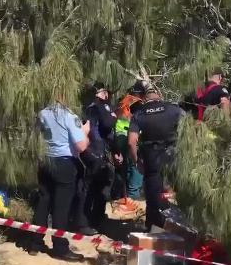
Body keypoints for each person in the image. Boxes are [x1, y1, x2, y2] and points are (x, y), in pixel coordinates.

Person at [29, 92, 90, 261]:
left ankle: (35, 243)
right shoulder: (69, 116)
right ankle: (60, 248)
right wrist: (85, 131)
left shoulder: (42, 113)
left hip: (45, 163)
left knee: (43, 202)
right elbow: (81, 146)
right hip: (64, 164)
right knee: (61, 208)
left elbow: (35, 139)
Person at [127, 86, 184, 231]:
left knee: (153, 197)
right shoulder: (174, 109)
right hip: (174, 157)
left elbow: (131, 141)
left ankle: (154, 229)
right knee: (178, 194)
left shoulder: (139, 113)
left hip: (151, 158)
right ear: (160, 95)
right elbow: (189, 130)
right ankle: (180, 229)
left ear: (145, 98)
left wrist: (136, 161)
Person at [75, 82, 118, 234]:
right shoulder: (100, 106)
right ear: (102, 93)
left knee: (95, 187)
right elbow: (107, 125)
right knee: (93, 188)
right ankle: (85, 222)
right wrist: (114, 117)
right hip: (96, 152)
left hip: (91, 151)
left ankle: (94, 218)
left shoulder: (87, 107)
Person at [111, 80, 146, 212]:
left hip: (119, 139)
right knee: (135, 173)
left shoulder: (123, 103)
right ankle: (132, 205)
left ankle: (120, 200)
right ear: (142, 94)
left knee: (123, 173)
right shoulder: (138, 104)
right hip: (131, 140)